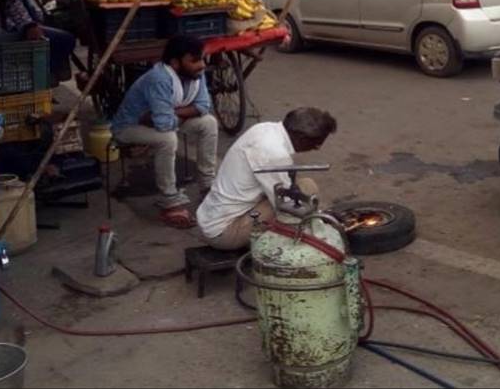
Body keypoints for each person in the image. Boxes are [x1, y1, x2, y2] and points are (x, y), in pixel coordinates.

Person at [110, 35, 219, 227]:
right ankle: (169, 201)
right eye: (194, 61)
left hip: (165, 120)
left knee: (209, 123)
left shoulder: (196, 74)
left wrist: (171, 112)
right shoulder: (159, 78)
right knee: (167, 139)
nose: (201, 65)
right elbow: (164, 125)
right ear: (176, 63)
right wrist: (172, 115)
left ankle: (207, 187)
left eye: (201, 59)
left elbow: (203, 106)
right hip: (129, 127)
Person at [196, 108, 338, 250]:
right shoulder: (275, 154)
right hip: (225, 232)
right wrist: (319, 221)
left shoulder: (263, 129)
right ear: (302, 138)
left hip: (207, 219)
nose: (316, 148)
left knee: (297, 186)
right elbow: (287, 206)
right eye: (316, 144)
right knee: (307, 188)